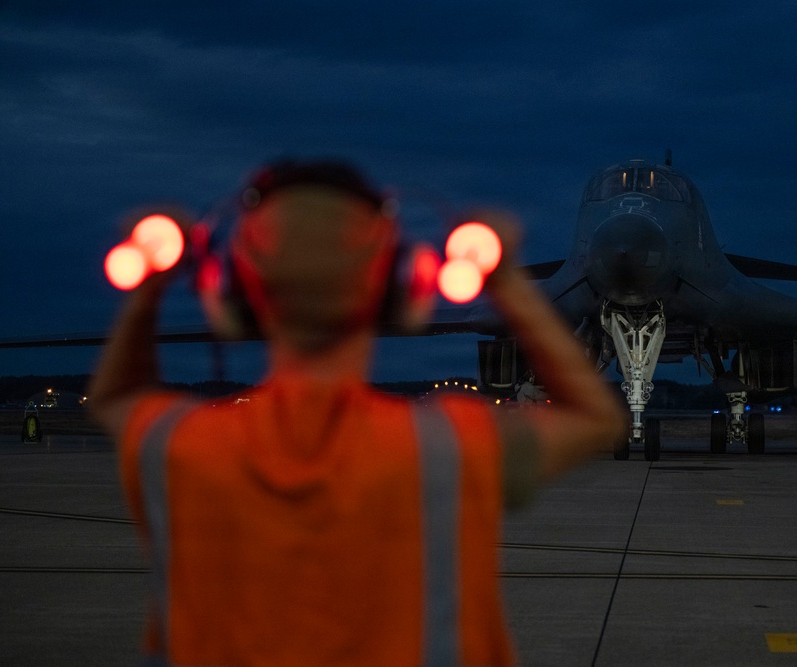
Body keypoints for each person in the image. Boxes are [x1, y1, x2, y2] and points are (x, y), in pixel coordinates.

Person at [87, 160, 626, 666]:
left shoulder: (177, 445)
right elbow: (595, 416)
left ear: (228, 298)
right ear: (405, 290)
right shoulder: (447, 447)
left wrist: (150, 285)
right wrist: (504, 279)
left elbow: (113, 397)